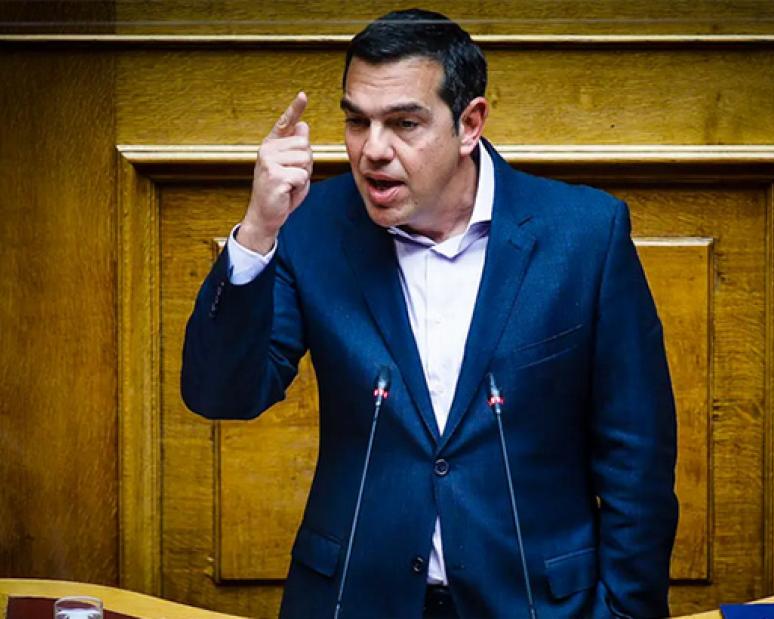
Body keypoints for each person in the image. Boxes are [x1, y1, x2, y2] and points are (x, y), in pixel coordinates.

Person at [181, 8, 678, 619]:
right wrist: (258, 231)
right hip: (354, 603)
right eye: (357, 122)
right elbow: (221, 393)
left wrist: (626, 613)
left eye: (404, 123)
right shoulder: (309, 226)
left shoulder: (585, 234)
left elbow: (637, 458)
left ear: (470, 124)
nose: (373, 150)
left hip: (538, 606)